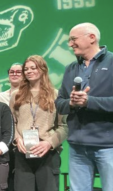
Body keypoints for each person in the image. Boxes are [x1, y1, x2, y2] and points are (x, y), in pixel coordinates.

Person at [55, 22, 113, 191]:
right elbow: (59, 104)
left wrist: (89, 101)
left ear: (92, 38)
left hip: (108, 146)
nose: (70, 44)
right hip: (77, 147)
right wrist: (71, 103)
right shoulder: (70, 68)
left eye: (73, 39)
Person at [10, 55, 67, 191]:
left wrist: (49, 143)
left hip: (47, 154)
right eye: (26, 69)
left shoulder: (55, 95)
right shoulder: (16, 95)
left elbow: (64, 126)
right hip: (22, 153)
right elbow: (12, 122)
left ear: (42, 70)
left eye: (33, 68)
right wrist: (17, 139)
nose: (29, 71)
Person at [0, 63, 22, 191]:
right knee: (6, 181)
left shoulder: (29, 96)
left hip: (22, 143)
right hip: (6, 145)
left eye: (18, 72)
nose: (14, 74)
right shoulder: (0, 97)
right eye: (12, 72)